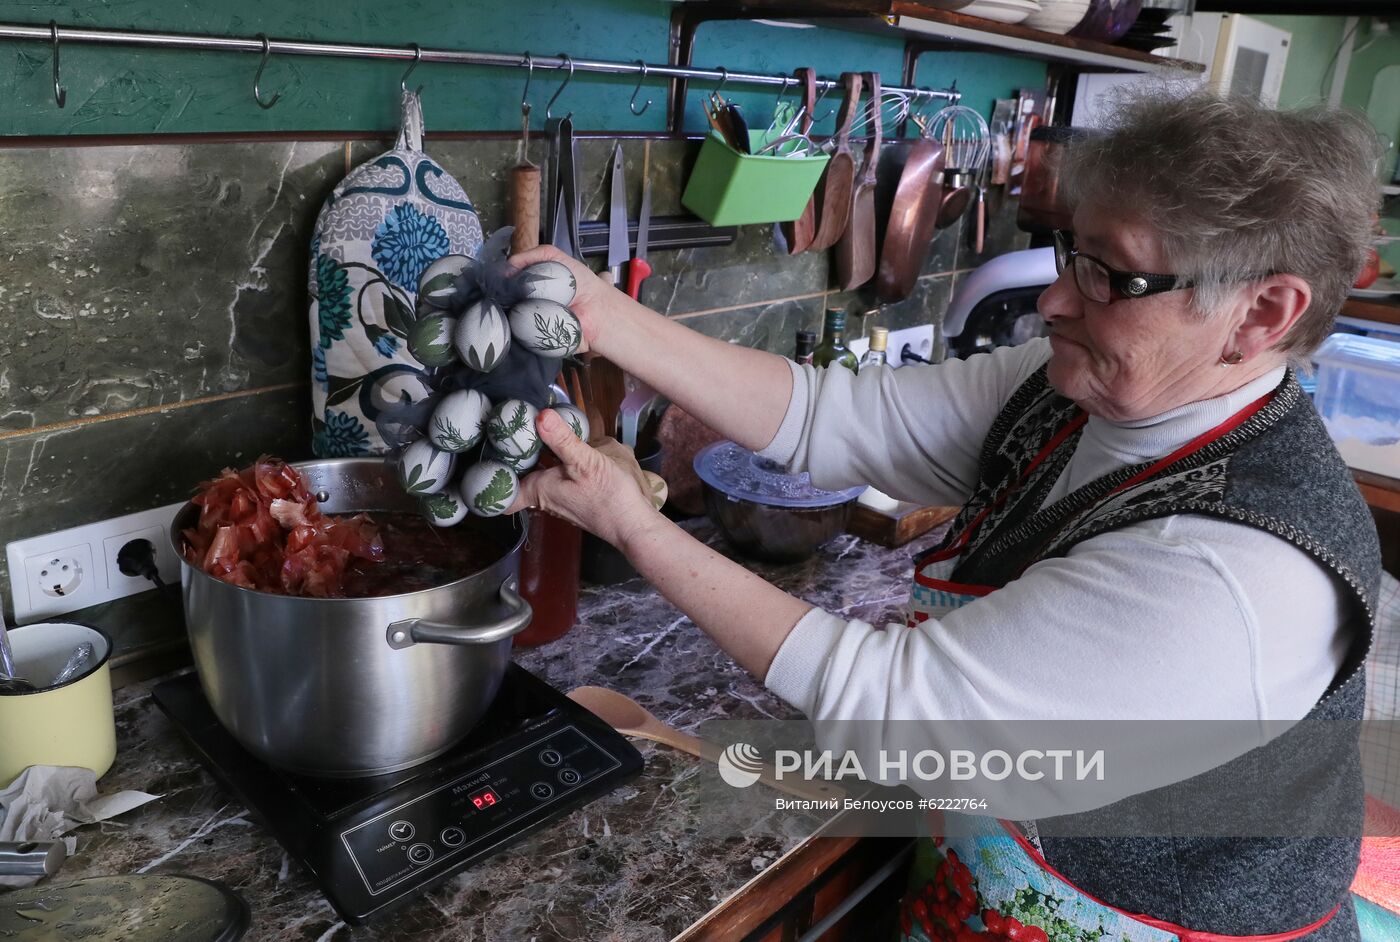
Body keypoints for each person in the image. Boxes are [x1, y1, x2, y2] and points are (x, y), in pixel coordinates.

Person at [506, 89, 1383, 940]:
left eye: (1109, 274)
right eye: (1066, 252)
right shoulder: (1076, 392)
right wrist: (601, 313)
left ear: (1260, 313)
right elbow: (830, 416)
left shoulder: (1240, 571)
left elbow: (900, 715)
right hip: (989, 883)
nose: (1052, 300)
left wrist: (634, 524)